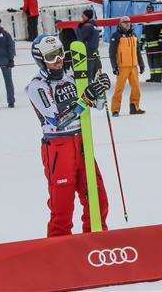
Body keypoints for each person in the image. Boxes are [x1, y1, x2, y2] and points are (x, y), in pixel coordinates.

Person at [26, 34, 111, 237]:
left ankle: (96, 242)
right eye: (51, 56)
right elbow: (58, 120)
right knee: (62, 207)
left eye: (60, 54)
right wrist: (85, 99)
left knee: (97, 198)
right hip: (58, 147)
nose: (58, 60)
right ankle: (59, 251)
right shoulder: (37, 86)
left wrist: (99, 88)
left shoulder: (73, 76)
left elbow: (98, 105)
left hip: (82, 143)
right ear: (41, 59)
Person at [109, 16, 145, 116]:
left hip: (133, 66)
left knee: (136, 88)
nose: (127, 24)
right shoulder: (116, 36)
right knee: (119, 89)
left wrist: (141, 64)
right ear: (120, 24)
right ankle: (115, 110)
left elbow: (138, 51)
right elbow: (112, 53)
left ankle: (134, 107)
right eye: (125, 22)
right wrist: (114, 66)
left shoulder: (134, 35)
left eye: (129, 22)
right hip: (122, 67)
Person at [140, 5, 162, 82]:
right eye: (148, 9)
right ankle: (152, 76)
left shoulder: (157, 20)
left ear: (153, 10)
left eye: (150, 9)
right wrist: (141, 43)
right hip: (148, 45)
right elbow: (143, 33)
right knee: (150, 62)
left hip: (157, 45)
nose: (149, 10)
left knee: (157, 62)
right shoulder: (145, 21)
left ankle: (158, 78)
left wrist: (160, 40)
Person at [75, 9, 101, 82]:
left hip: (88, 53)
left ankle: (89, 87)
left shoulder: (88, 26)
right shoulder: (94, 25)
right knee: (94, 73)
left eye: (83, 16)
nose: (82, 17)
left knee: (88, 74)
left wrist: (78, 28)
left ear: (87, 16)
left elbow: (80, 37)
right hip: (94, 52)